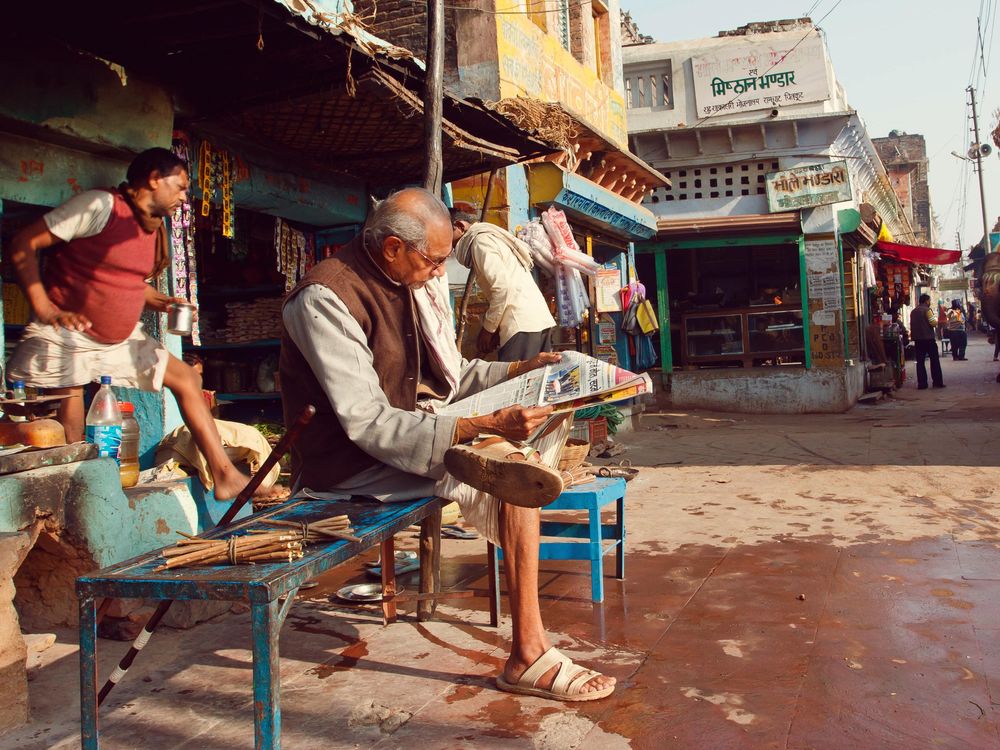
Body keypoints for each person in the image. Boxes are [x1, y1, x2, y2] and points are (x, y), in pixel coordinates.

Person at [280, 188, 615, 702]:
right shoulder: (325, 298)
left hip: (417, 432)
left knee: (518, 455)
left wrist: (523, 369)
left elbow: (454, 377)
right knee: (514, 476)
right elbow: (368, 423)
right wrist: (478, 427)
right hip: (349, 462)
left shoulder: (406, 279)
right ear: (393, 247)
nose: (440, 271)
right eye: (434, 260)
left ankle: (530, 649)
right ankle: (529, 654)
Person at [6, 148, 250, 500]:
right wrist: (43, 307)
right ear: (153, 179)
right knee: (71, 419)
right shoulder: (99, 206)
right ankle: (77, 498)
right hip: (67, 336)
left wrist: (162, 302)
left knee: (185, 378)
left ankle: (224, 474)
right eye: (180, 187)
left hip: (118, 342)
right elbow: (24, 243)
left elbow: (126, 283)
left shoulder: (150, 227)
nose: (185, 197)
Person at [451, 211, 557, 362]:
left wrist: (488, 330)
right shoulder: (489, 238)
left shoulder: (480, 241)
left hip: (520, 323)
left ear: (460, 226)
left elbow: (502, 289)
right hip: (536, 321)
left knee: (516, 380)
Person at [909, 293, 944, 389]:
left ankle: (922, 384)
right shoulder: (927, 310)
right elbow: (933, 323)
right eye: (929, 301)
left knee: (920, 362)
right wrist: (937, 322)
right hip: (928, 339)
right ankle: (937, 382)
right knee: (934, 361)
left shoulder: (913, 311)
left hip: (918, 340)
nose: (930, 302)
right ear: (926, 301)